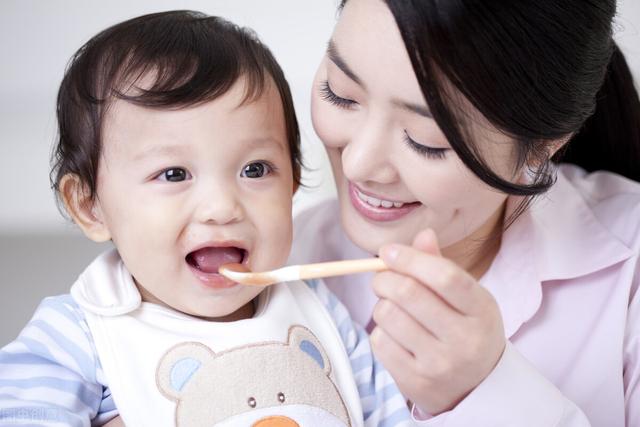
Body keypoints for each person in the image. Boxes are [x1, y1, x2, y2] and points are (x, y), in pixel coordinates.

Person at [0, 11, 413, 427]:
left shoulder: (321, 311)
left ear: (292, 183)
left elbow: (393, 416)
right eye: (174, 174)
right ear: (91, 206)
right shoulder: (76, 335)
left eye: (255, 170)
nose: (221, 207)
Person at [290, 0, 640, 425]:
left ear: (547, 141)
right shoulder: (288, 258)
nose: (357, 164)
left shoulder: (629, 275)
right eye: (340, 95)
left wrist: (486, 392)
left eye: (426, 140)